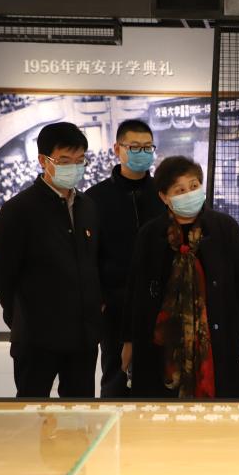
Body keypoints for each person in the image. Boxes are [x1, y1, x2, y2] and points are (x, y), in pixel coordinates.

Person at [122, 156, 239, 398]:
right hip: (163, 340)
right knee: (162, 405)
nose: (189, 194)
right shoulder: (150, 234)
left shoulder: (225, 227)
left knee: (219, 402)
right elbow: (135, 291)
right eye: (180, 190)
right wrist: (129, 340)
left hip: (218, 334)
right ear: (164, 197)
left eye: (194, 186)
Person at [0, 122, 102, 398]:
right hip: (37, 338)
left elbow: (93, 263)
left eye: (79, 160)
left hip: (83, 337)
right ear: (43, 160)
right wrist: (23, 318)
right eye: (64, 161)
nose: (73, 167)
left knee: (80, 413)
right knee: (32, 411)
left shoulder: (87, 207)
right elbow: (3, 275)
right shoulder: (18, 210)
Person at [86, 119, 168, 397]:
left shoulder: (163, 195)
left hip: (161, 303)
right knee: (116, 374)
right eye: (134, 147)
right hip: (115, 305)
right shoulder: (95, 198)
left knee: (161, 376)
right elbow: (89, 255)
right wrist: (100, 299)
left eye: (147, 147)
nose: (142, 153)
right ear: (117, 149)